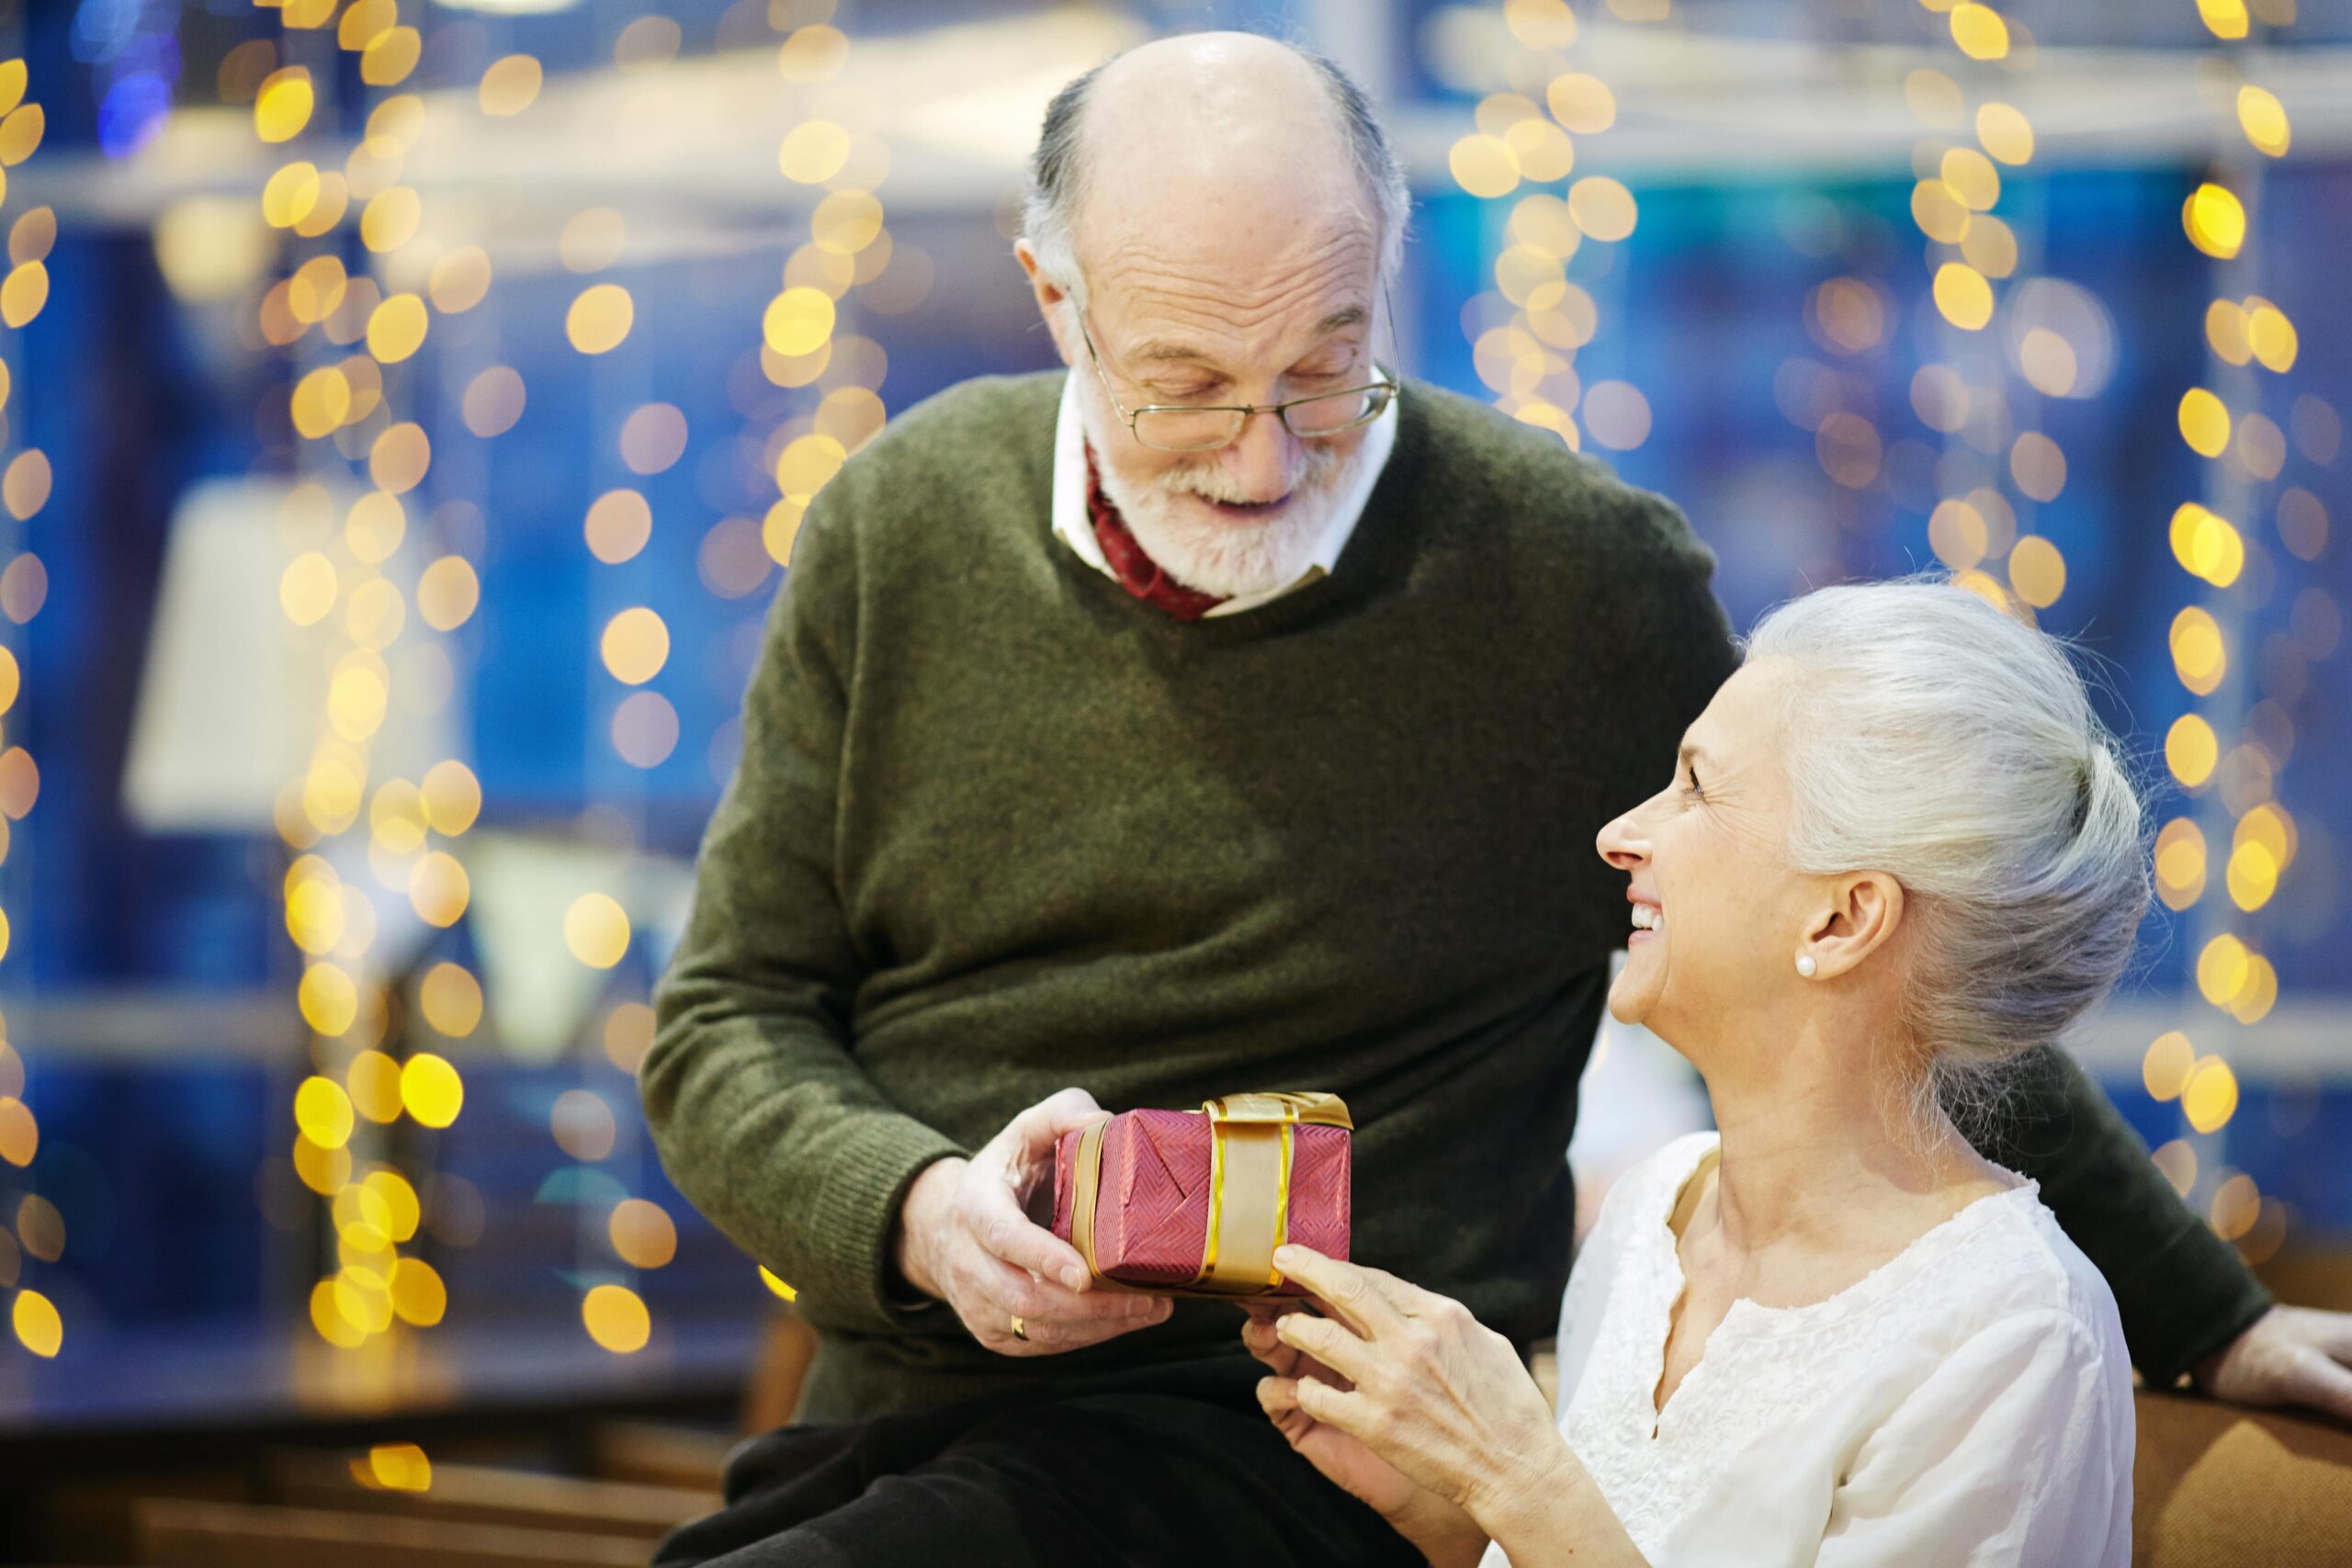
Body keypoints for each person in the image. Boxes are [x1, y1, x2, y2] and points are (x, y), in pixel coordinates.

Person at [639, 31, 2346, 1568]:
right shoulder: (897, 526)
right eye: (1187, 389)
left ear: (1385, 274)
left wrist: (2202, 1310)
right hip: (894, 1398)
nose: (1263, 457)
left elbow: (1879, 922)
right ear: (1054, 299)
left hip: (1307, 1451)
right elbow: (727, 1018)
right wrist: (920, 1216)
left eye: (1325, 367)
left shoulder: (1570, 578)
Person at [1242, 580, 2140, 1565]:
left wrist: (1517, 1475)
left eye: (1696, 788)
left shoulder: (2015, 1334)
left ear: (1842, 920)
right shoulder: (1653, 1213)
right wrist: (1447, 1499)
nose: (1618, 834)